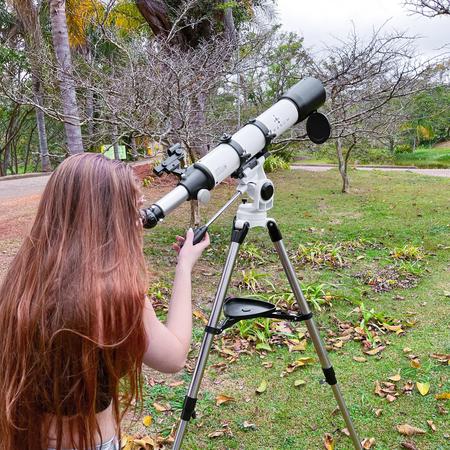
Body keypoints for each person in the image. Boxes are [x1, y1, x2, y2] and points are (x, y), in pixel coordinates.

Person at [0, 153, 209, 450]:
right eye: (134, 210)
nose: (141, 221)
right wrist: (184, 267)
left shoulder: (23, 280)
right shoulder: (115, 298)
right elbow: (174, 357)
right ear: (111, 219)